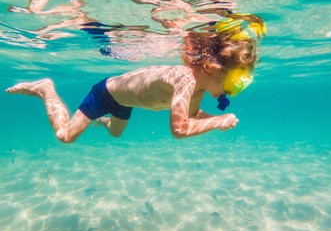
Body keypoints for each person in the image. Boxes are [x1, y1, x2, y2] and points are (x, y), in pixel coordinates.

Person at [5, 14, 266, 143]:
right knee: (65, 136)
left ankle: (104, 121)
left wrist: (216, 119)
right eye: (236, 82)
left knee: (115, 134)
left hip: (125, 101)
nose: (233, 91)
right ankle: (45, 89)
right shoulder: (185, 80)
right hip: (105, 93)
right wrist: (219, 120)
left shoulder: (197, 91)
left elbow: (192, 115)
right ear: (212, 67)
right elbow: (179, 129)